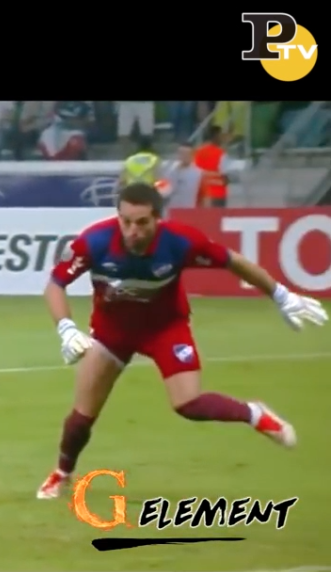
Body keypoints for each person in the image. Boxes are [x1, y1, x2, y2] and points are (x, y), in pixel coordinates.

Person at [37, 183, 326, 499]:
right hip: (113, 333)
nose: (132, 231)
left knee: (189, 404)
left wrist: (281, 295)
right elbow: (55, 284)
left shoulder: (180, 241)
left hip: (165, 329)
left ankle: (254, 414)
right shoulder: (95, 241)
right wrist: (66, 328)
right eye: (126, 221)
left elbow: (233, 261)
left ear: (157, 219)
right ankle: (62, 473)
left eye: (142, 222)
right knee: (81, 419)